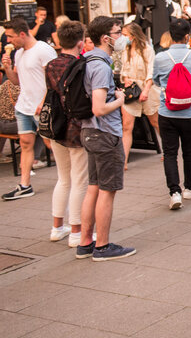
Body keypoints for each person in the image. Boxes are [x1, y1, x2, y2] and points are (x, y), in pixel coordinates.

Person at [77, 15, 136, 261]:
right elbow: (98, 107)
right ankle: (102, 246)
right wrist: (120, 101)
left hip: (89, 132)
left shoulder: (88, 61)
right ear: (105, 38)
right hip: (105, 133)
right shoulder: (101, 65)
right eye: (117, 32)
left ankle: (84, 243)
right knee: (107, 190)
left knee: (93, 188)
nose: (121, 37)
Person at [152, 19, 191, 210]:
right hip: (190, 112)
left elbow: (156, 81)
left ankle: (174, 192)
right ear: (187, 36)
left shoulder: (160, 58)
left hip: (166, 112)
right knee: (189, 151)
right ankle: (190, 187)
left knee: (169, 153)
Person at [1, 17, 57, 200]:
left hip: (42, 107)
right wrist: (7, 69)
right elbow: (17, 81)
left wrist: (44, 101)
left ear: (22, 34)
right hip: (24, 106)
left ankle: (69, 178)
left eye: (10, 37)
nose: (8, 41)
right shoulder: (19, 53)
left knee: (52, 144)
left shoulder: (44, 50)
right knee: (25, 144)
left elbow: (55, 80)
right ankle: (25, 185)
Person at [43, 20, 88, 245]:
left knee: (63, 179)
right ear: (80, 43)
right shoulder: (81, 65)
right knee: (80, 180)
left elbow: (50, 96)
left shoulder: (51, 65)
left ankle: (57, 227)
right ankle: (77, 233)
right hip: (77, 127)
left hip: (56, 126)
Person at [119, 22, 159, 171]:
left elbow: (151, 71)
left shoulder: (147, 50)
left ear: (133, 35)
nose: (123, 38)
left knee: (155, 121)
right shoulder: (126, 50)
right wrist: (125, 79)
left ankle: (169, 149)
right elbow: (124, 69)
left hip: (146, 88)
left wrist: (146, 90)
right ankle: (123, 160)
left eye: (125, 35)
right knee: (126, 126)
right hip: (132, 90)